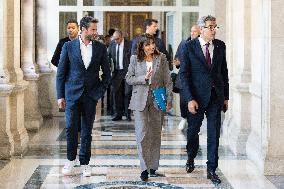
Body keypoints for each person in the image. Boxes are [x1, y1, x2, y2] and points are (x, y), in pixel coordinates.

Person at [56, 16, 111, 177]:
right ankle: (70, 160)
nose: (96, 32)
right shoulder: (68, 46)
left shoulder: (101, 48)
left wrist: (99, 92)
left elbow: (107, 74)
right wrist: (60, 96)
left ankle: (85, 162)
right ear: (83, 29)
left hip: (90, 96)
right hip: (71, 95)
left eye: (96, 29)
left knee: (87, 130)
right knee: (71, 129)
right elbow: (61, 74)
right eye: (93, 29)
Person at [179, 15, 229, 184]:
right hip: (196, 98)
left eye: (215, 26)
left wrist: (226, 97)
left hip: (216, 96)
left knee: (214, 134)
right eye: (210, 27)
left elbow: (224, 73)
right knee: (193, 132)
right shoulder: (188, 47)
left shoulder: (221, 46)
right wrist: (189, 98)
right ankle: (191, 157)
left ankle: (211, 169)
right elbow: (183, 75)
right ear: (201, 29)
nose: (214, 30)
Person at [126, 34, 173, 181]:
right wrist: (143, 78)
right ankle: (144, 168)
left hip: (157, 99)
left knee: (155, 134)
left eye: (152, 44)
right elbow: (128, 78)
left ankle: (153, 167)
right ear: (141, 46)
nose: (151, 47)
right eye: (147, 45)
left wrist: (169, 98)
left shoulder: (162, 58)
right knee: (142, 134)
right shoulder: (135, 59)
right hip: (139, 100)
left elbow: (168, 80)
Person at [173, 25, 200, 130]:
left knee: (195, 101)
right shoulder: (184, 43)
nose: (192, 33)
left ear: (200, 32)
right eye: (191, 31)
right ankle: (184, 118)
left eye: (195, 31)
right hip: (183, 77)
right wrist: (177, 62)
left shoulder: (201, 45)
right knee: (183, 101)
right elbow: (177, 58)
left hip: (197, 79)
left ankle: (194, 125)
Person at [108, 30, 132, 121]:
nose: (115, 41)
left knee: (127, 93)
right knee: (116, 93)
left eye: (117, 39)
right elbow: (108, 57)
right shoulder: (112, 44)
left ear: (122, 37)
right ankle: (118, 114)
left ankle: (127, 113)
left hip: (127, 72)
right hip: (116, 73)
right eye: (114, 39)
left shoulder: (129, 44)